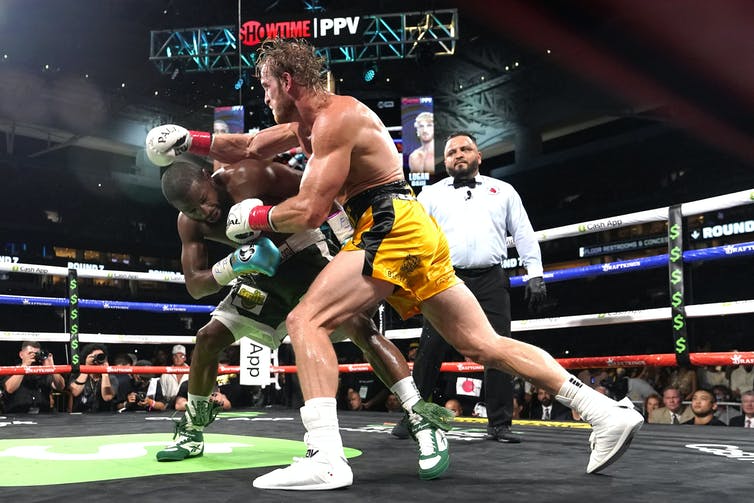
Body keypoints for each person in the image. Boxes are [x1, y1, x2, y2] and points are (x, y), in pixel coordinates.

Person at [146, 38, 643, 490]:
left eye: (267, 86)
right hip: (407, 226)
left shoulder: (335, 119)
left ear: (288, 82)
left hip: (388, 222)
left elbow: (312, 211)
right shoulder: (306, 122)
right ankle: (602, 411)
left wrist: (257, 214)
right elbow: (251, 145)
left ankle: (325, 457)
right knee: (481, 343)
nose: (265, 95)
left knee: (305, 319)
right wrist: (189, 140)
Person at [151, 153, 453, 481]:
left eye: (204, 201)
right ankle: (192, 428)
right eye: (192, 210)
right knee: (208, 337)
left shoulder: (250, 174)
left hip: (304, 254)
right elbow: (195, 285)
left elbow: (324, 194)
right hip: (257, 275)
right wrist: (234, 263)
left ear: (211, 177)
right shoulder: (190, 223)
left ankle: (421, 418)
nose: (204, 212)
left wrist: (351, 250)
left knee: (358, 326)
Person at [393, 131, 547, 444]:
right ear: (445, 161)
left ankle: (500, 424)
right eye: (452, 152)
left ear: (478, 156)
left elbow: (524, 233)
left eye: (466, 149)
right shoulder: (430, 196)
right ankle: (413, 416)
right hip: (444, 279)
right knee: (430, 349)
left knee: (499, 348)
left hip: (491, 277)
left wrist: (535, 273)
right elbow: (412, 240)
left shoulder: (502, 191)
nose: (459, 155)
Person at [1, 341, 65, 414]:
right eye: (30, 353)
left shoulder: (44, 371)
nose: (34, 356)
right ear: (21, 355)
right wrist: (24, 366)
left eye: (36, 353)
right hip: (18, 414)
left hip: (43, 415)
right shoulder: (13, 370)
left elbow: (60, 386)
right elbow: (9, 389)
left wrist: (52, 368)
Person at [69, 343, 119, 413]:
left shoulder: (111, 378)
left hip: (104, 417)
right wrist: (87, 367)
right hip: (81, 417)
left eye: (100, 356)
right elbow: (75, 392)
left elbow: (107, 397)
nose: (97, 358)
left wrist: (105, 372)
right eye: (93, 356)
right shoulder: (77, 375)